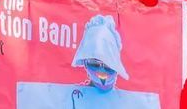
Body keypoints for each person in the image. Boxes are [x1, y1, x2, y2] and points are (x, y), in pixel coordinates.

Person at [16, 15, 160, 108]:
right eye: (95, 64)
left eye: (108, 66)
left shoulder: (132, 102)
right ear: (84, 63)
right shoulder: (70, 97)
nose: (102, 73)